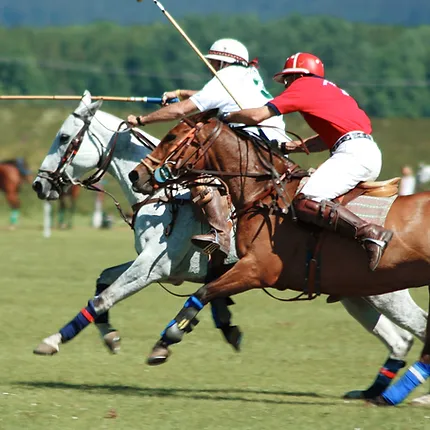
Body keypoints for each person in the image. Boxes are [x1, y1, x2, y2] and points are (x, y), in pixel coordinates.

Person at [220, 52, 393, 271]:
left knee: (306, 201)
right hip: (363, 149)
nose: (286, 86)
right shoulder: (331, 90)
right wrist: (287, 147)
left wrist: (226, 116)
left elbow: (258, 116)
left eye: (287, 79)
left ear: (299, 75)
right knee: (319, 203)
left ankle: (370, 233)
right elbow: (328, 138)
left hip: (353, 154)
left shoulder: (303, 86)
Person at [127, 38, 288, 259]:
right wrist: (182, 92)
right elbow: (211, 97)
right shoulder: (247, 73)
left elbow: (181, 111)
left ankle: (220, 235)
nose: (211, 67)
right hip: (274, 143)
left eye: (213, 62)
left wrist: (141, 119)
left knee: (195, 166)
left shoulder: (225, 77)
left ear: (222, 62)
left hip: (252, 141)